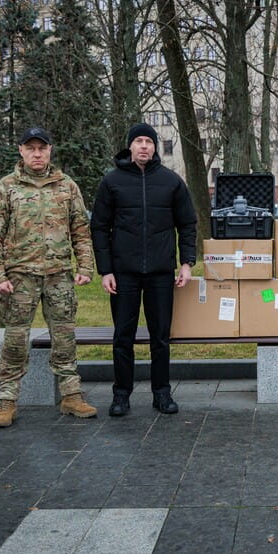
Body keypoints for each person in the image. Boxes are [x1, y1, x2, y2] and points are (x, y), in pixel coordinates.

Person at [0, 126, 97, 427]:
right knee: (16, 339)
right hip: (20, 276)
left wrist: (85, 266)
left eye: (41, 148)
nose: (36, 153)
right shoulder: (6, 187)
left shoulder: (66, 186)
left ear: (50, 150)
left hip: (59, 274)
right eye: (30, 148)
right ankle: (7, 401)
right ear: (20, 150)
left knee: (64, 337)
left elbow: (81, 231)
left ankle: (71, 396)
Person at [91, 123, 197, 417]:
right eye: (138, 141)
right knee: (122, 336)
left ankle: (162, 394)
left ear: (154, 147)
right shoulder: (112, 182)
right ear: (130, 146)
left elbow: (187, 223)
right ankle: (121, 394)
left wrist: (187, 263)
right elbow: (99, 227)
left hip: (161, 273)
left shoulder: (171, 182)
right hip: (123, 273)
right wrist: (106, 270)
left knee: (160, 337)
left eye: (149, 142)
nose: (144, 146)